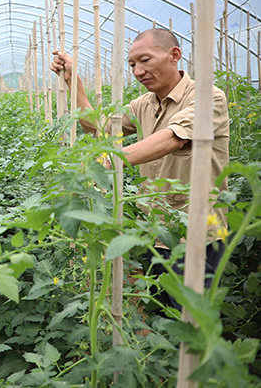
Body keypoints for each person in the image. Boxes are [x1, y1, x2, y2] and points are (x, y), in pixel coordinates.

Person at [51, 28, 229, 310]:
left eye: (145, 60)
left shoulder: (209, 97)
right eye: (132, 64)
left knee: (191, 318)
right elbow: (100, 127)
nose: (137, 71)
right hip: (154, 230)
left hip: (195, 232)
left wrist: (107, 162)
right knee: (162, 312)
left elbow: (173, 136)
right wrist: (74, 81)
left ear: (174, 56)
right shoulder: (144, 104)